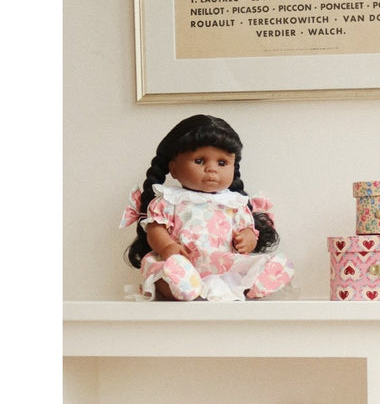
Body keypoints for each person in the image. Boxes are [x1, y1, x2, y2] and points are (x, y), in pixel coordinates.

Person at [121, 115, 294, 300]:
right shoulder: (170, 200)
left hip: (223, 265)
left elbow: (248, 229)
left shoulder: (234, 203)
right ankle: (184, 285)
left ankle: (260, 281)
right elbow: (155, 229)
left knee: (245, 267)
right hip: (184, 262)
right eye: (199, 161)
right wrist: (167, 246)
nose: (212, 169)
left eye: (222, 163)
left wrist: (248, 239)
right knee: (164, 273)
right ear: (174, 169)